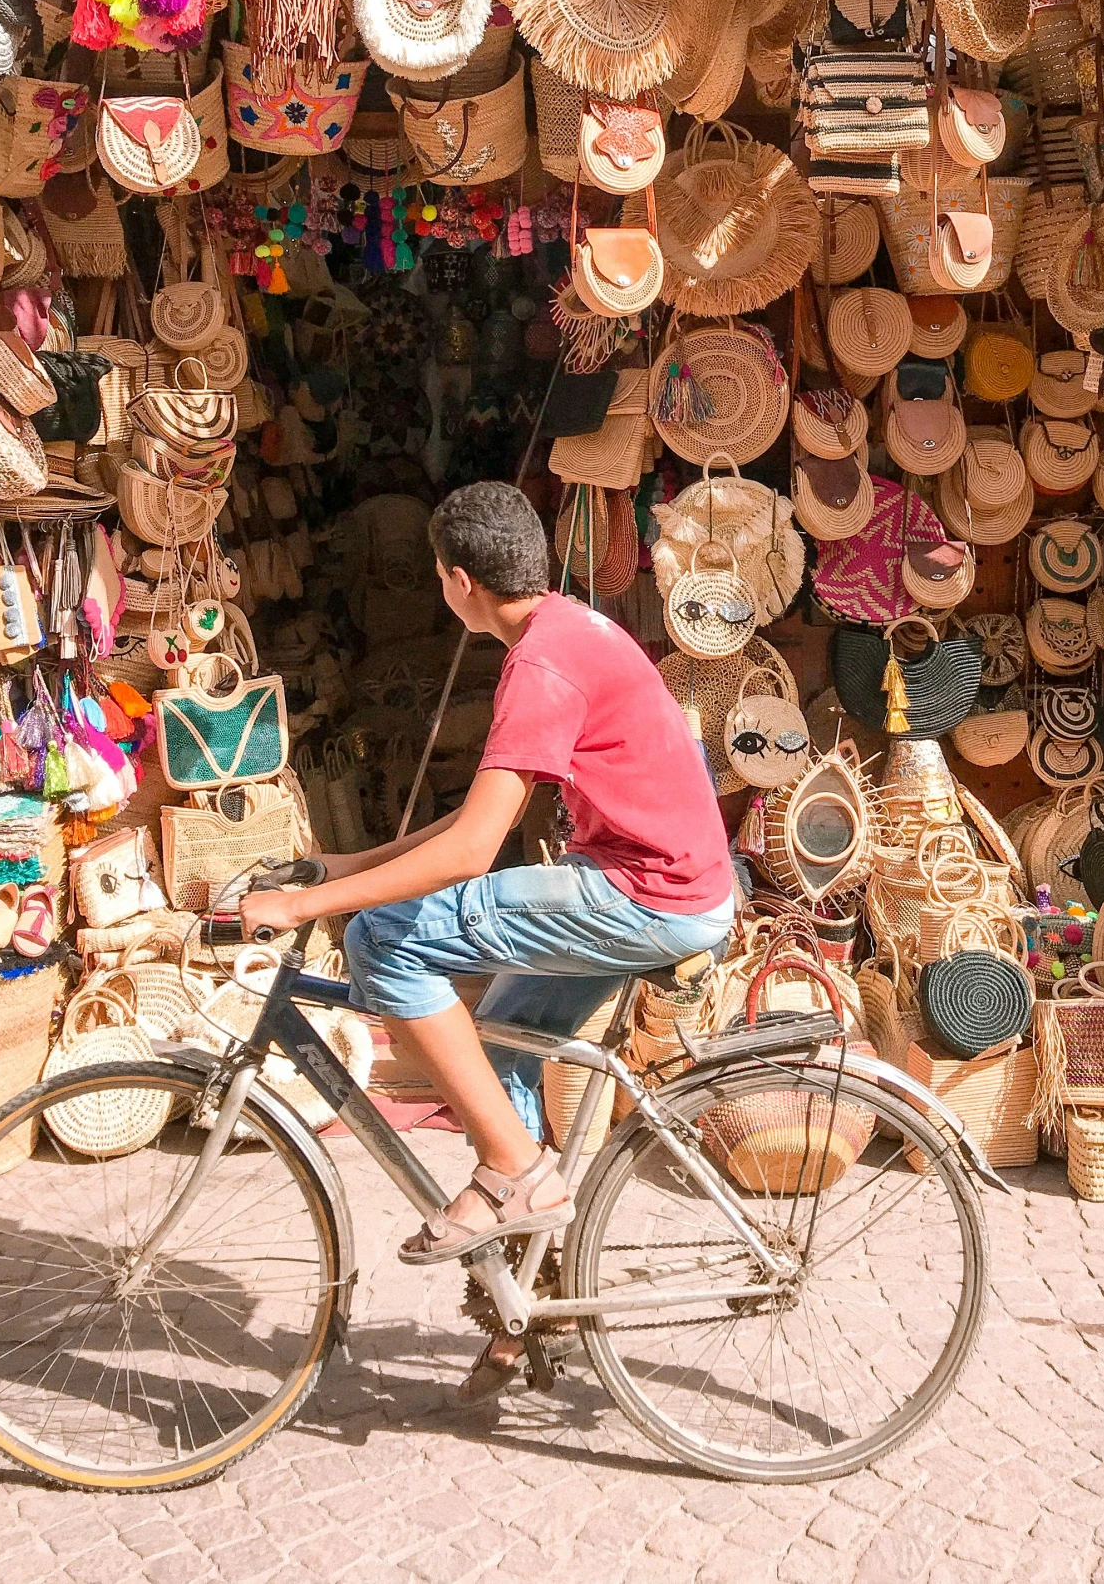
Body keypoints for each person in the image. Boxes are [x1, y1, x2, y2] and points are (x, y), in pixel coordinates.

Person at [238, 479, 735, 1278]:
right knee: (499, 1058)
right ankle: (530, 1298)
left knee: (382, 937)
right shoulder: (569, 630)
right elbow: (485, 821)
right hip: (659, 883)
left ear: (458, 581)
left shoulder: (540, 665)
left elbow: (471, 851)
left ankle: (516, 1174)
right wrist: (353, 863)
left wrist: (309, 903)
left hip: (645, 895)